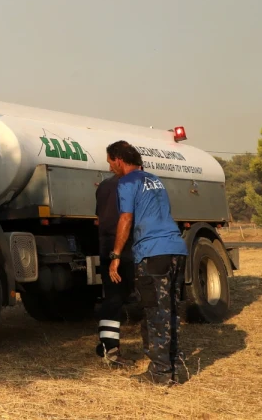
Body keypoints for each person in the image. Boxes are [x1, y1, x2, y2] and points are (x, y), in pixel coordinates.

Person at [106, 140, 189, 386]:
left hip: (153, 253)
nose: (110, 168)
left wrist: (116, 255)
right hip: (175, 249)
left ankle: (160, 373)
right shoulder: (155, 180)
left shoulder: (127, 182)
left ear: (119, 160)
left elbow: (126, 218)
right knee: (171, 309)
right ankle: (175, 365)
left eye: (110, 162)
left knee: (155, 312)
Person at [95, 163, 135, 364]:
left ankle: (107, 344)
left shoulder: (103, 187)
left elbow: (99, 218)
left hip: (106, 247)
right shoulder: (132, 185)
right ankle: (109, 347)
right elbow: (127, 218)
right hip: (125, 249)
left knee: (112, 297)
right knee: (119, 297)